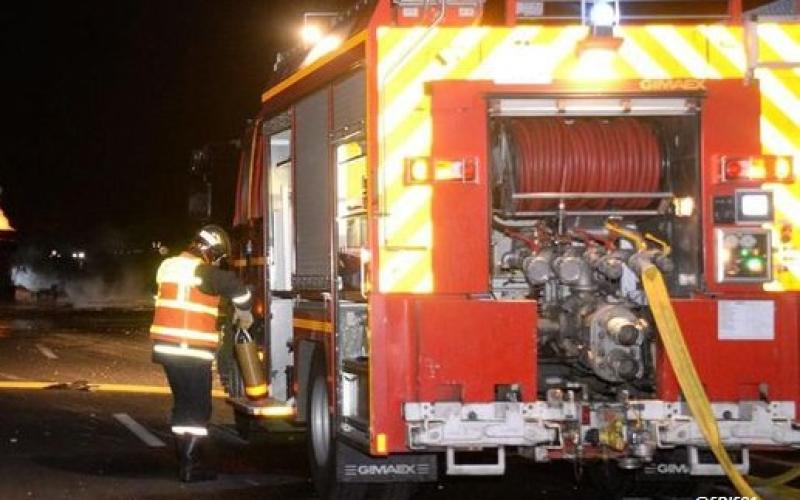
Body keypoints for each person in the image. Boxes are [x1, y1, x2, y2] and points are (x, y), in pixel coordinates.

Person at [150, 225, 253, 482]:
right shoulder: (200, 271)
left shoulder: (168, 266)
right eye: (218, 257)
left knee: (184, 404)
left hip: (167, 348)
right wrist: (245, 309)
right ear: (211, 250)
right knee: (198, 408)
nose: (218, 262)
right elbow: (233, 285)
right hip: (190, 348)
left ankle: (186, 460)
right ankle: (190, 467)